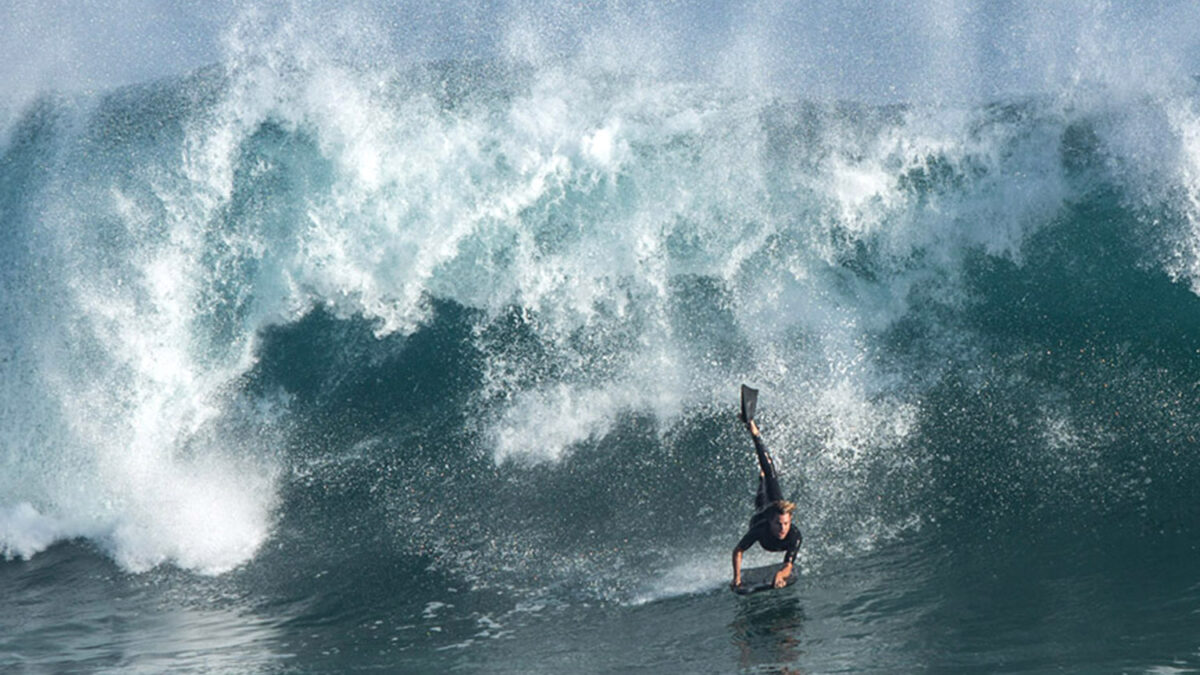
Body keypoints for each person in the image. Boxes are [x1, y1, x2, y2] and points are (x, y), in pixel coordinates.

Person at [730, 417, 802, 590]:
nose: (782, 528)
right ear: (771, 522)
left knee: (771, 477)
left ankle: (763, 470)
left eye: (785, 523)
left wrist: (780, 575)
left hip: (774, 507)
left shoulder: (795, 535)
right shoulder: (760, 529)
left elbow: (788, 566)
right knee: (763, 491)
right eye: (778, 524)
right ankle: (755, 435)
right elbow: (738, 551)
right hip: (761, 515)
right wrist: (737, 578)